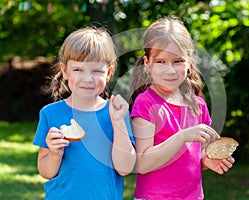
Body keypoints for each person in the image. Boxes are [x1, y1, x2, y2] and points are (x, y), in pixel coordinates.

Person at [129, 16, 235, 200]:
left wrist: (207, 161)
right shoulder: (145, 103)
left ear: (188, 61)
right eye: (161, 62)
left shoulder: (198, 105)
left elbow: (194, 155)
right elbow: (143, 162)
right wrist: (183, 136)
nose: (170, 70)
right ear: (147, 63)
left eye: (178, 61)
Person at [33, 26, 136, 200]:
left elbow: (125, 168)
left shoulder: (117, 112)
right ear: (65, 71)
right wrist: (54, 153)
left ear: (109, 73)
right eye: (78, 70)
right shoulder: (50, 114)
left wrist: (118, 124)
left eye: (96, 71)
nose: (87, 79)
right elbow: (46, 172)